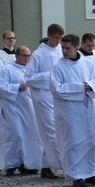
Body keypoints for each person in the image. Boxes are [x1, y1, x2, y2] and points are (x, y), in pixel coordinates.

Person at [50, 34, 95, 187]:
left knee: (92, 140)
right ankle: (76, 175)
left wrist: (89, 85)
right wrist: (80, 87)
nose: (64, 51)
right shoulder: (58, 66)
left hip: (88, 109)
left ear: (76, 47)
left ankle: (91, 173)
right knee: (74, 142)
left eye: (67, 48)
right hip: (69, 111)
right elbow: (57, 89)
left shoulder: (87, 63)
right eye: (62, 47)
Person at [0, 46, 43, 175]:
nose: (27, 58)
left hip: (30, 109)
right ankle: (11, 164)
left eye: (28, 55)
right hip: (13, 108)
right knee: (16, 134)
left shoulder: (31, 70)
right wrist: (17, 87)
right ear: (16, 56)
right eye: (24, 55)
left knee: (30, 136)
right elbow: (0, 87)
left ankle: (28, 164)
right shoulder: (7, 69)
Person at [25, 23, 63, 179]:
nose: (58, 41)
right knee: (50, 130)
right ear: (48, 35)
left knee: (59, 129)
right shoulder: (39, 54)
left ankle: (46, 165)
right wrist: (50, 76)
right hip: (44, 95)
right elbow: (29, 77)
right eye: (55, 38)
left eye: (60, 38)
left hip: (59, 95)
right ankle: (63, 163)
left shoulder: (62, 51)